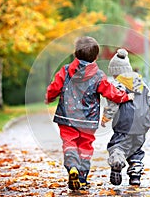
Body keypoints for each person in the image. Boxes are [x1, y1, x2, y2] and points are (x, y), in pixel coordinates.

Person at [45, 37, 134, 191]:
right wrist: (125, 96)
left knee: (70, 144)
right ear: (96, 57)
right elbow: (111, 92)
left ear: (75, 54)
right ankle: (82, 178)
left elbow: (54, 87)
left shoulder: (65, 71)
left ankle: (72, 167)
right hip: (88, 121)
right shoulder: (98, 75)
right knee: (85, 147)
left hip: (66, 118)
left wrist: (49, 97)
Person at [101, 49, 150, 186]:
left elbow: (113, 104)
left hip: (124, 124)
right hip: (142, 126)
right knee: (136, 150)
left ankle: (117, 161)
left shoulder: (116, 85)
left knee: (117, 146)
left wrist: (106, 117)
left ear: (115, 71)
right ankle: (135, 174)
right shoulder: (142, 84)